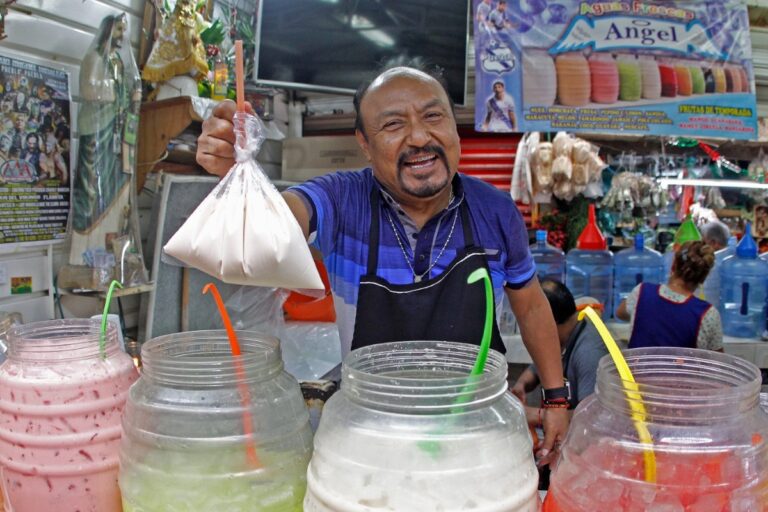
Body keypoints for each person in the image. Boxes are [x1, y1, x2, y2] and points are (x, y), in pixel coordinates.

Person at [197, 62, 570, 461]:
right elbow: (279, 220)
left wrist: (556, 398)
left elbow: (530, 306)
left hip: (476, 432)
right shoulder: (342, 199)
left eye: (433, 116)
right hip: (369, 433)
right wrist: (239, 177)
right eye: (393, 125)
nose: (420, 137)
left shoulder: (495, 211)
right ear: (364, 142)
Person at [511, 280, 608, 412]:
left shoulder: (589, 354)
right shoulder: (564, 334)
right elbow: (542, 362)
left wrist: (533, 415)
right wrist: (522, 384)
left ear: (549, 320)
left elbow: (589, 417)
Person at [616, 241, 723, 351]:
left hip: (636, 368)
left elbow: (620, 313)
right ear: (703, 278)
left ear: (673, 265)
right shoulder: (708, 315)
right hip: (680, 369)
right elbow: (718, 361)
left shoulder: (641, 292)